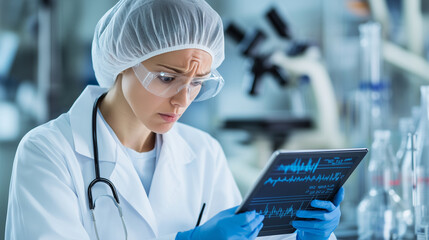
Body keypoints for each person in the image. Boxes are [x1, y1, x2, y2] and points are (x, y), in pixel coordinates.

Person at [5, 0, 343, 239]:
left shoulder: (203, 151)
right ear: (121, 61)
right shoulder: (48, 151)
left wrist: (305, 235)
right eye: (167, 78)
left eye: (197, 82)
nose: (183, 100)